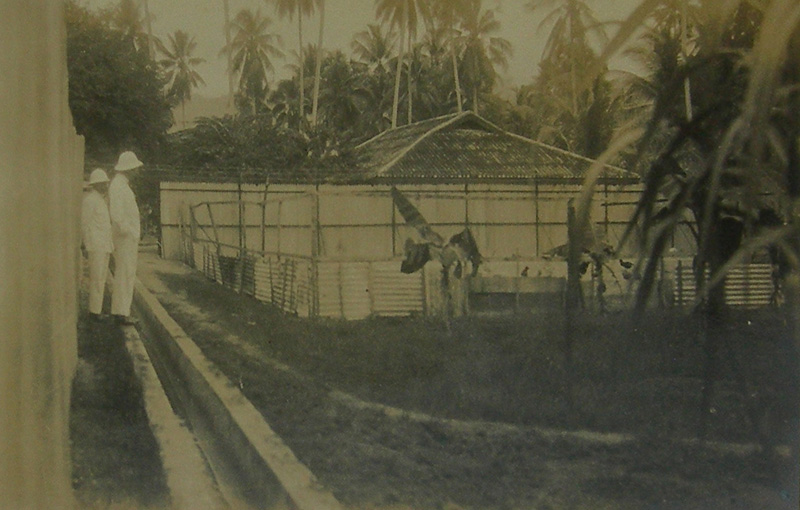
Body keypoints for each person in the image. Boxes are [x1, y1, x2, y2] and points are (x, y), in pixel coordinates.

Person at [109, 151, 143, 325]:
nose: (137, 171)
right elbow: (116, 214)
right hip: (124, 238)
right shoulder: (118, 186)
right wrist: (128, 231)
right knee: (125, 273)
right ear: (129, 169)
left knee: (127, 273)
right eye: (135, 168)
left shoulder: (122, 185)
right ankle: (121, 313)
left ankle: (121, 311)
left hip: (127, 237)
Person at [81, 168, 113, 322]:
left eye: (105, 183)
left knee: (101, 279)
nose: (105, 186)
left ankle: (97, 310)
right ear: (96, 185)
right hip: (96, 245)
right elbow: (84, 224)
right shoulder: (90, 201)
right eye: (102, 183)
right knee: (96, 279)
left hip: (104, 245)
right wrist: (86, 244)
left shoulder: (100, 200)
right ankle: (94, 312)